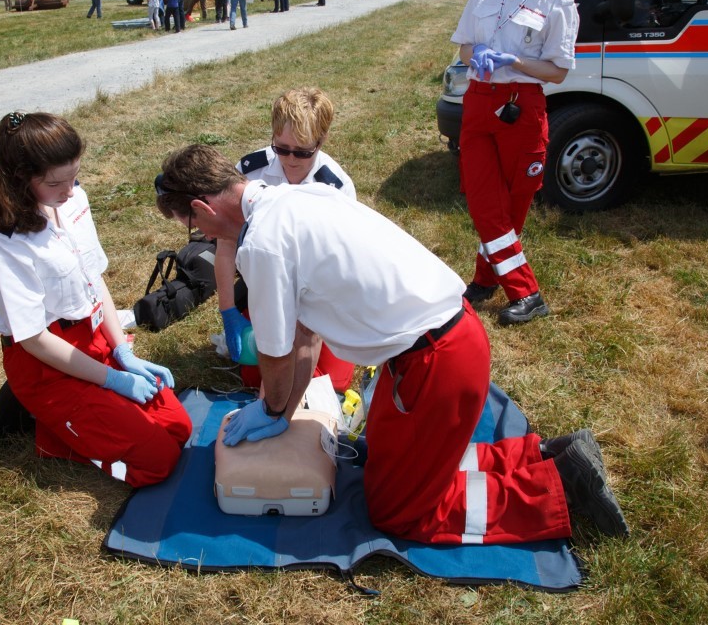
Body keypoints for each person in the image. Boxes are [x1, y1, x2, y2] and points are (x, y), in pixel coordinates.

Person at [153, 144, 629, 545]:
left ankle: (561, 485)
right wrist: (282, 409)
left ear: (202, 208)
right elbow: (303, 337)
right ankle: (542, 455)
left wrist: (272, 409)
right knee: (386, 458)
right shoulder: (295, 197)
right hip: (446, 341)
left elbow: (277, 354)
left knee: (399, 512)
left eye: (194, 228)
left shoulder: (263, 244)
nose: (204, 237)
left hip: (435, 361)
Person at [0, 112, 192, 486]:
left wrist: (123, 352)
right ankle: (52, 427)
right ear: (20, 179)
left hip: (93, 340)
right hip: (47, 363)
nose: (70, 191)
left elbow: (93, 279)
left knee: (178, 428)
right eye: (56, 182)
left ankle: (67, 421)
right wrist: (113, 380)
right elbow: (33, 338)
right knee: (158, 461)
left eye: (74, 176)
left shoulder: (72, 200)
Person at [449, 0, 579, 326]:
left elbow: (558, 71)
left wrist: (516, 62)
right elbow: (464, 46)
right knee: (484, 200)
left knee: (510, 206)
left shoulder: (558, 1)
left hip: (522, 108)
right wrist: (477, 54)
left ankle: (487, 280)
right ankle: (526, 293)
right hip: (479, 101)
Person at [217, 88, 356, 393]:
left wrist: (306, 329)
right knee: (255, 377)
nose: (291, 160)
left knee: (329, 382)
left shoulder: (336, 187)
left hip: (319, 295)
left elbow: (338, 270)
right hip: (268, 285)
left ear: (321, 141)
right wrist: (228, 312)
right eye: (282, 148)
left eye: (302, 152)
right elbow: (226, 243)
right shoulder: (250, 172)